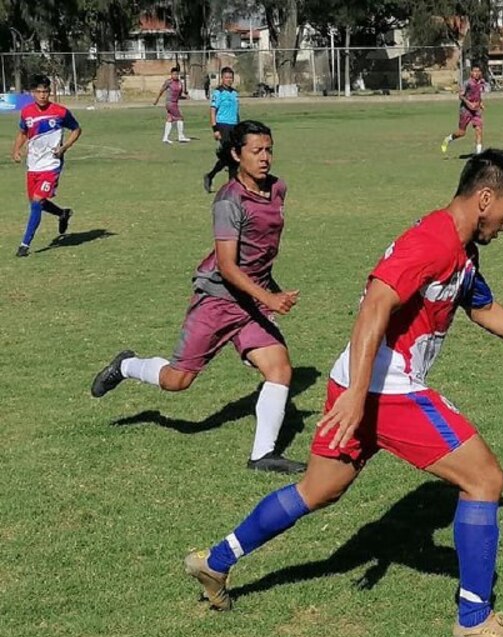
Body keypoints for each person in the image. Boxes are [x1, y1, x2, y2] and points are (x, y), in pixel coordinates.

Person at [183, 149, 503, 637]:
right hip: (385, 387)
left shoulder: (463, 249)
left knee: (318, 489)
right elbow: (376, 302)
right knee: (485, 478)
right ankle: (474, 619)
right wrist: (359, 396)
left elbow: (483, 307)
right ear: (485, 198)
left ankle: (217, 560)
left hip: (357, 384)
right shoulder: (433, 241)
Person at [91, 120, 305, 475]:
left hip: (250, 303)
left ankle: (262, 455)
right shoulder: (228, 201)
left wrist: (266, 293)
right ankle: (126, 366)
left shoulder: (278, 189)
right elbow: (227, 265)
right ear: (237, 155)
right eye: (256, 151)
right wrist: (268, 298)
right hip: (219, 300)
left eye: (269, 150)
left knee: (279, 368)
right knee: (177, 381)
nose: (265, 158)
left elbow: (261, 252)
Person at [10, 75, 81, 258]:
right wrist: (16, 150)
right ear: (32, 93)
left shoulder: (60, 112)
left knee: (36, 202)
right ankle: (62, 213)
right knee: (37, 203)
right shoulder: (26, 112)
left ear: (50, 92)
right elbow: (22, 132)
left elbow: (76, 129)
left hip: (51, 164)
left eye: (46, 91)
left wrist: (65, 147)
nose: (42, 95)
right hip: (33, 164)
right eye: (39, 92)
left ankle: (24, 244)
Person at [204, 67, 240, 193]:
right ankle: (226, 183)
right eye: (226, 77)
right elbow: (213, 111)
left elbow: (236, 112)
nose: (229, 80)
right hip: (223, 126)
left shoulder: (235, 93)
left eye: (231, 77)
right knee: (230, 155)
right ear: (222, 78)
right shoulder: (218, 93)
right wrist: (215, 129)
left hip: (234, 126)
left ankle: (212, 176)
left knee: (232, 157)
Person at [441, 64, 487, 155]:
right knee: (461, 133)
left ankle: (478, 154)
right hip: (465, 111)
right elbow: (460, 95)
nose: (476, 73)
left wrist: (480, 103)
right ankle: (448, 139)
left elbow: (478, 94)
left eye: (478, 71)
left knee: (479, 129)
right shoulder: (468, 83)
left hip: (476, 110)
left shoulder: (481, 82)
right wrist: (469, 103)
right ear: (471, 73)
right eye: (475, 71)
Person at [153, 66, 190, 144]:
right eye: (173, 74)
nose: (175, 76)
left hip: (175, 103)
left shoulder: (180, 83)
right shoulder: (169, 82)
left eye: (176, 74)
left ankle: (165, 138)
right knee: (180, 118)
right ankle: (181, 136)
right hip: (170, 103)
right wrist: (156, 100)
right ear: (171, 74)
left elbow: (179, 95)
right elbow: (161, 90)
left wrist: (185, 97)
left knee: (170, 119)